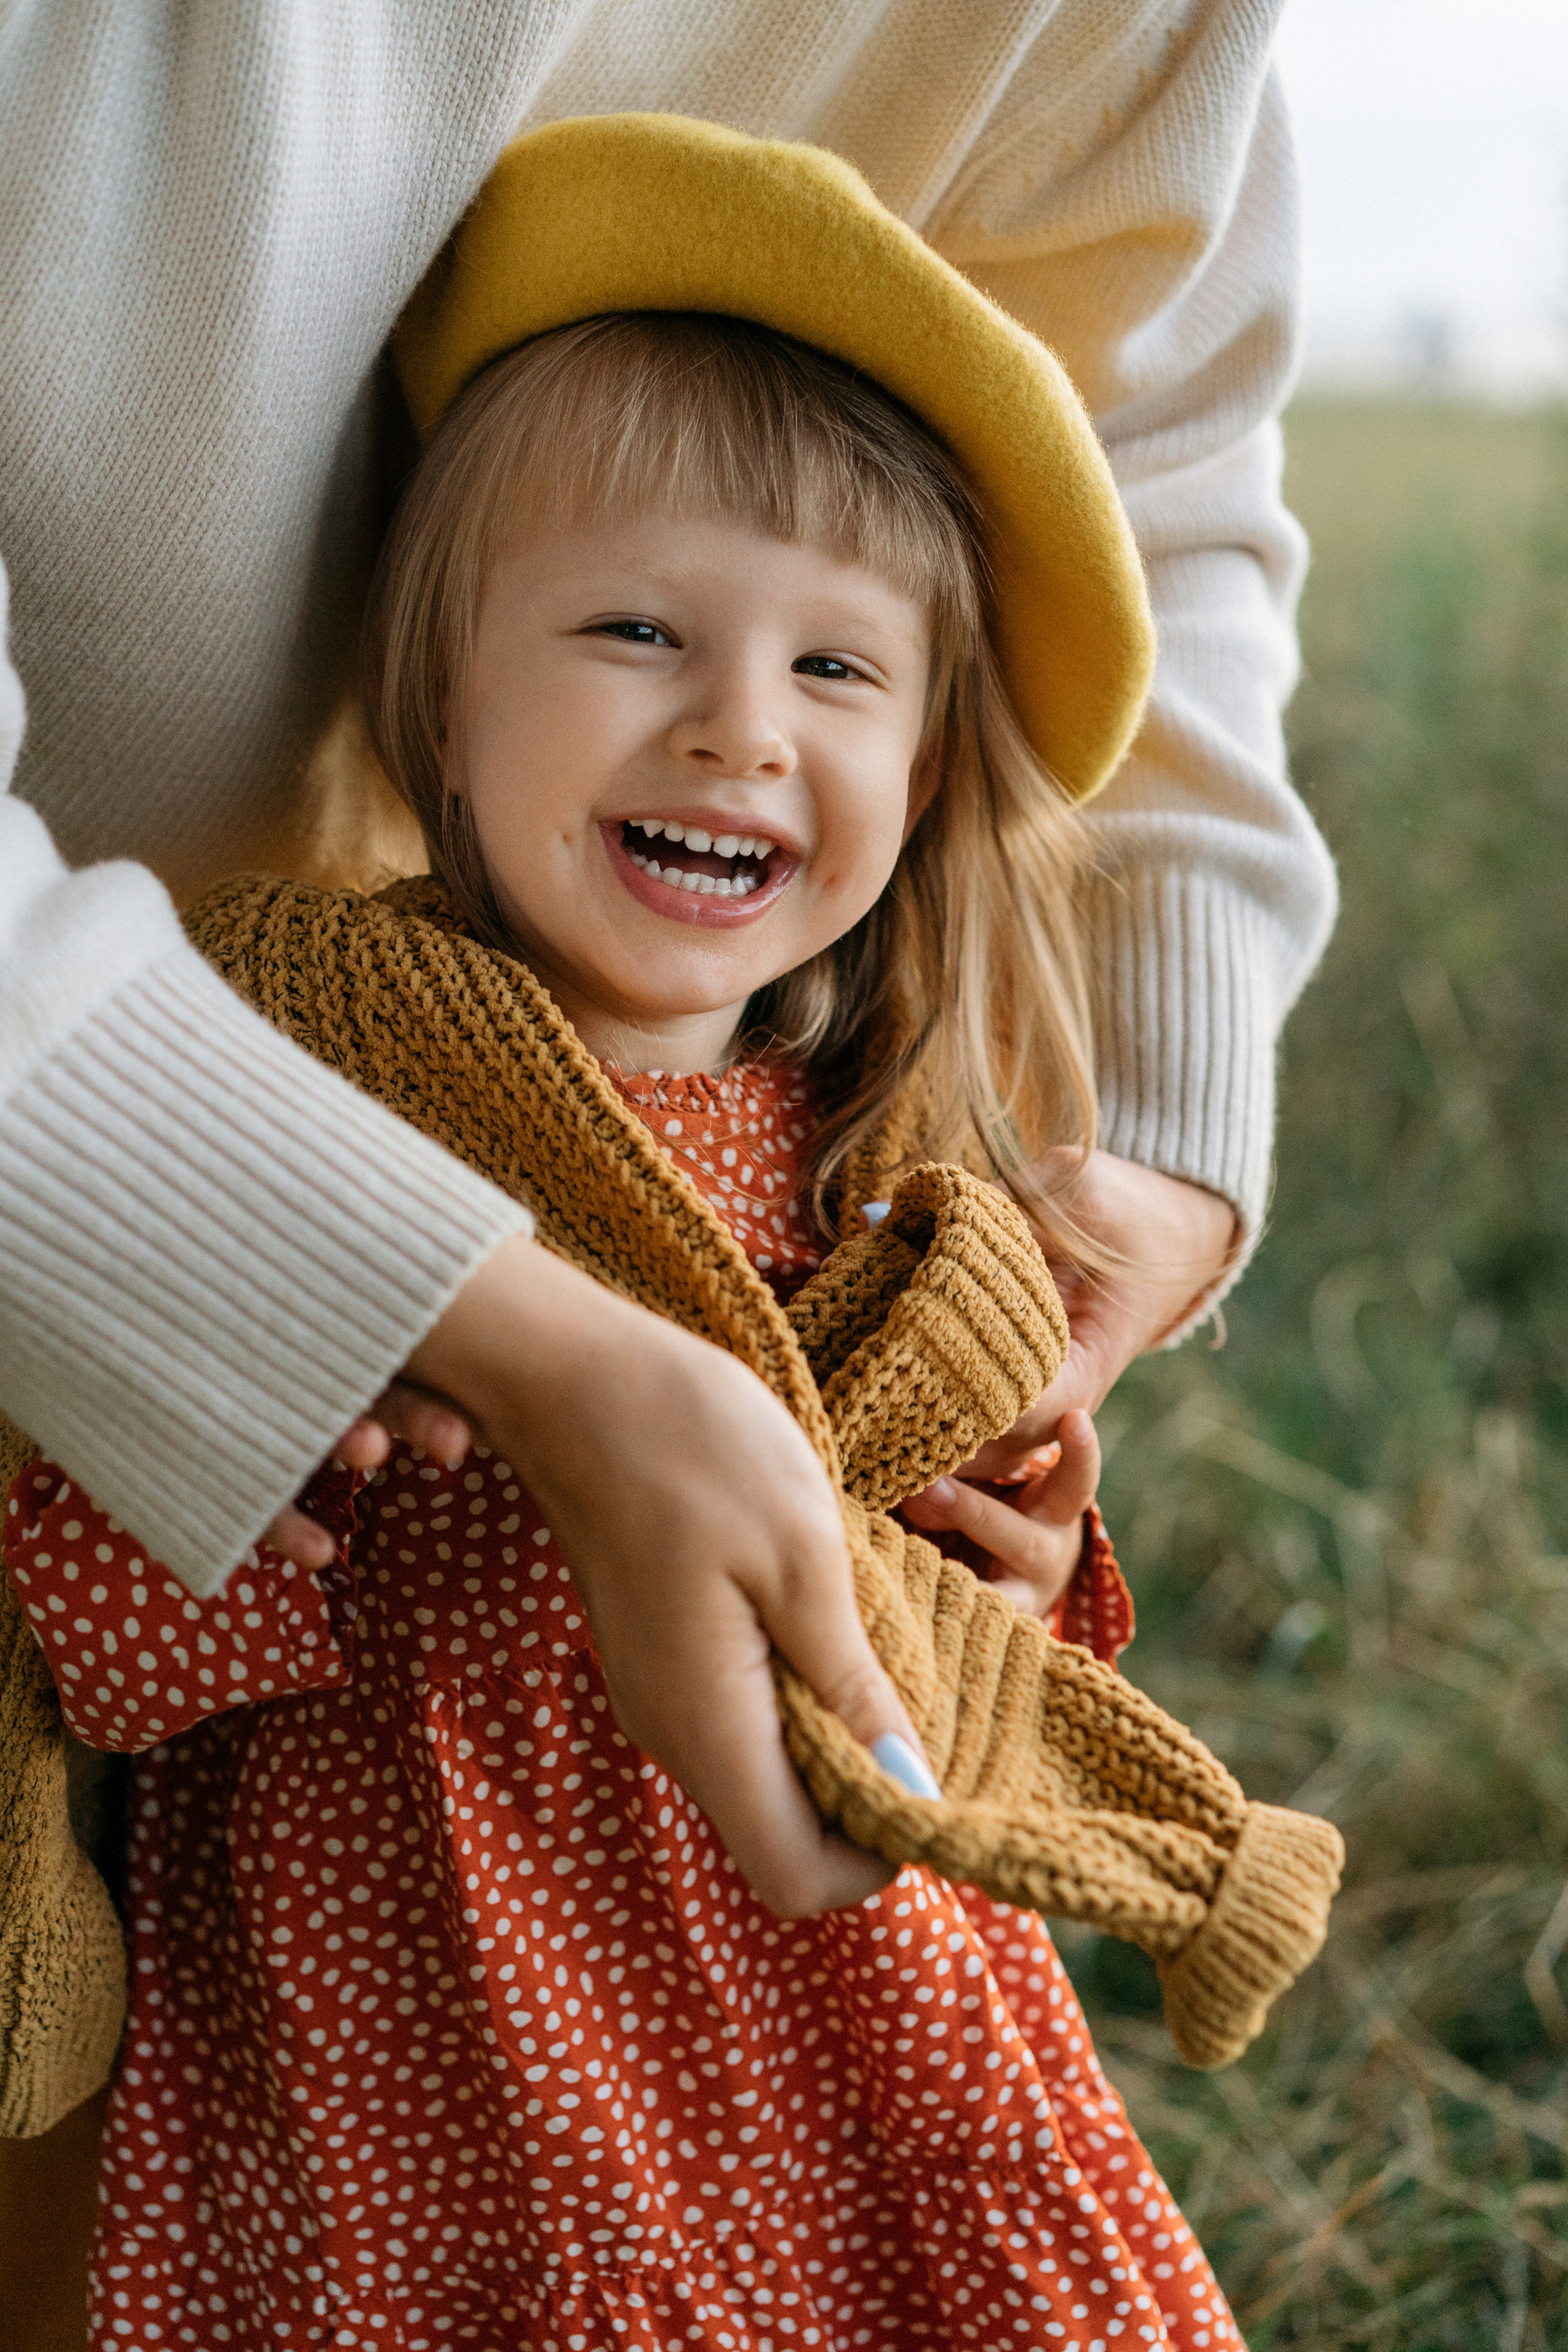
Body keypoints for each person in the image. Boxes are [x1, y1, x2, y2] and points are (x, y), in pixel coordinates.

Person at [0, 1, 1335, 2307]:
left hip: (822, 1987)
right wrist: (234, 1492)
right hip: (395, 1975)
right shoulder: (305, 1087)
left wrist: (1018, 1517)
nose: (737, 728)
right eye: (636, 633)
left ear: (934, 772)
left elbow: (957, 1550)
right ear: (436, 692)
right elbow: (111, 1600)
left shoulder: (879, 1162)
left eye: (839, 675)